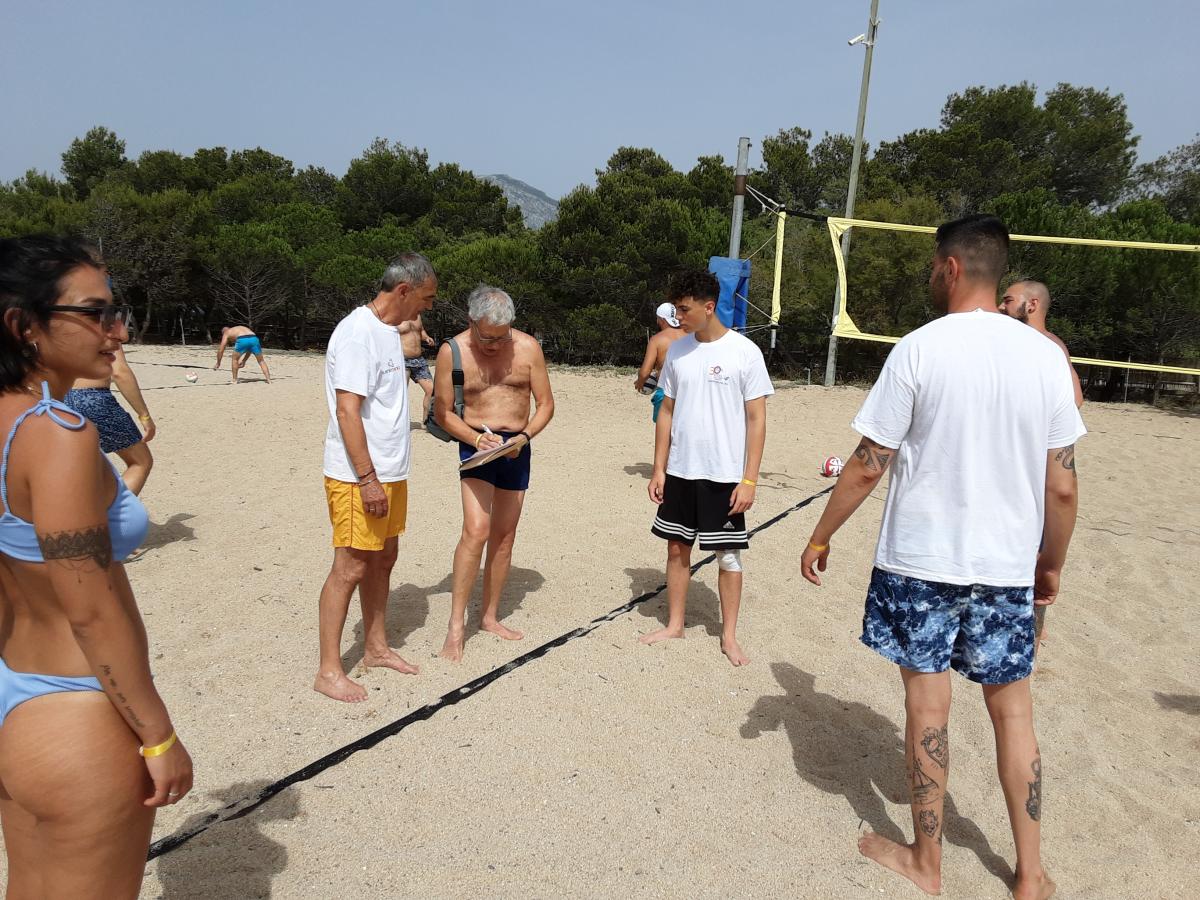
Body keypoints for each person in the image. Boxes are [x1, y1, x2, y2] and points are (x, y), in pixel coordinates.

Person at [799, 215, 1083, 900]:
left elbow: (869, 462)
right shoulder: (1047, 357)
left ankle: (927, 863)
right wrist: (1050, 563)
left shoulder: (919, 348)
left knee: (928, 710)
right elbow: (1063, 484)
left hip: (921, 562)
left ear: (952, 268)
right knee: (1014, 715)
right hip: (1007, 566)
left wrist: (821, 533)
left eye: (933, 265)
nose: (931, 274)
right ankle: (1030, 874)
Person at [0, 235, 192, 898]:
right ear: (23, 325)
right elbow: (90, 607)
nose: (118, 330)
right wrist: (157, 734)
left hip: (14, 686)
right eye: (95, 313)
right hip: (76, 709)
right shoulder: (57, 432)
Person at [316, 253, 437, 702]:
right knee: (349, 566)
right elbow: (347, 410)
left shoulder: (389, 331)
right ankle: (329, 671)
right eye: (425, 298)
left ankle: (376, 647)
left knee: (384, 558)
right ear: (404, 290)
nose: (426, 308)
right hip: (357, 475)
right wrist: (367, 478)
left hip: (391, 470)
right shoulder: (357, 334)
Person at [644, 270, 772, 667]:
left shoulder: (744, 352)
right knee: (676, 547)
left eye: (684, 309)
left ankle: (728, 636)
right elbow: (666, 411)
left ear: (709, 307)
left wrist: (749, 479)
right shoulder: (677, 351)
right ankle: (675, 624)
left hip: (724, 475)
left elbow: (757, 419)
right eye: (676, 309)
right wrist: (659, 468)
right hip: (681, 470)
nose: (678, 316)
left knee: (727, 556)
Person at [434, 285, 554, 662]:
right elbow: (443, 412)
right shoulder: (451, 351)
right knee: (476, 530)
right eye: (487, 337)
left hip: (516, 446)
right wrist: (474, 438)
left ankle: (489, 616)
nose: (494, 345)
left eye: (502, 337)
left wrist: (524, 436)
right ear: (471, 321)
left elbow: (546, 405)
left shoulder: (528, 348)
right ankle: (456, 625)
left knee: (504, 536)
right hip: (475, 445)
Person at [65, 343, 156, 495]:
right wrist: (144, 415)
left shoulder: (54, 329)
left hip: (57, 398)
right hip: (93, 398)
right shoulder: (106, 330)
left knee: (78, 466)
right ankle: (114, 509)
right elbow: (119, 373)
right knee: (140, 462)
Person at [1001, 280, 1084, 407]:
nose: (1001, 307)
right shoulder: (1053, 344)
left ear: (1032, 304)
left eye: (1008, 301)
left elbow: (1075, 399)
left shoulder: (1053, 346)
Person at [634, 301, 686, 422]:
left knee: (665, 431)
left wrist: (640, 382)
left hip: (666, 391)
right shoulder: (689, 336)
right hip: (687, 391)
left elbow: (645, 372)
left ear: (662, 320)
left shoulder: (657, 340)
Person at [399, 312, 435, 421]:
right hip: (402, 360)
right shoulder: (395, 314)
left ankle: (427, 422)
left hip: (419, 360)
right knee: (401, 394)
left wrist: (426, 337)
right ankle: (400, 423)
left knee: (431, 390)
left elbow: (421, 331)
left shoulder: (417, 314)